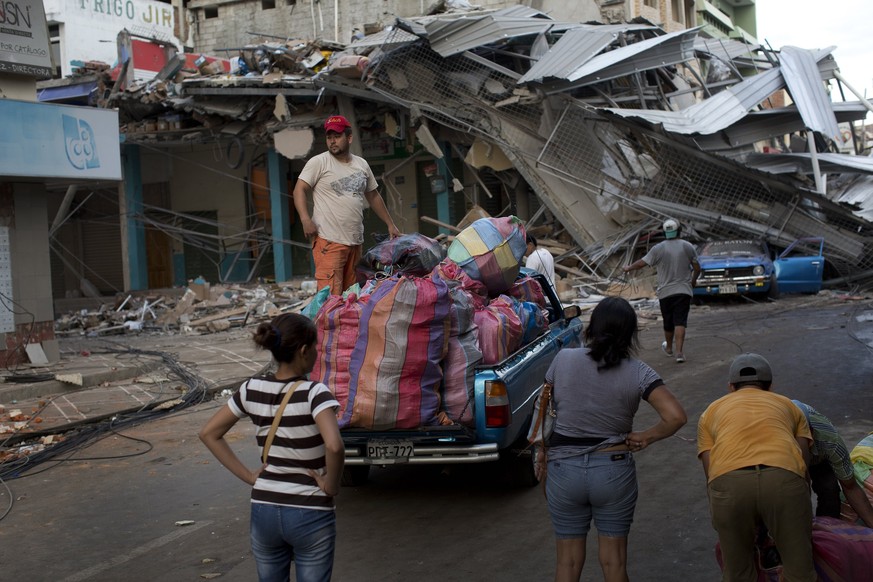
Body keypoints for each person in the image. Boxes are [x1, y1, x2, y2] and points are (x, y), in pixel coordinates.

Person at [537, 296, 686, 582]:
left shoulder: (563, 359)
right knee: (614, 563)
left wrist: (542, 457)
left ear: (592, 327)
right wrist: (646, 437)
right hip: (613, 471)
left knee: (566, 564)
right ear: (631, 333)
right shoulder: (639, 371)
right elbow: (676, 416)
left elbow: (545, 414)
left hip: (563, 470)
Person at [199, 313, 344, 582]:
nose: (316, 353)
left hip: (264, 508)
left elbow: (209, 433)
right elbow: (334, 446)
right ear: (303, 351)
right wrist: (331, 486)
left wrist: (249, 476)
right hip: (310, 510)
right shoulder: (315, 393)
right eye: (314, 347)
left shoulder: (251, 388)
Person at [697, 353, 816, 582]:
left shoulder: (710, 411)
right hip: (784, 478)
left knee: (738, 573)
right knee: (799, 572)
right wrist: (799, 507)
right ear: (770, 386)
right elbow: (803, 461)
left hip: (729, 483)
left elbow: (710, 472)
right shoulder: (789, 406)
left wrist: (722, 512)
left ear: (730, 387)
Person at [293, 114, 401, 296]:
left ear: (349, 138)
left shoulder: (361, 165)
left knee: (351, 297)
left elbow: (373, 195)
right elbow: (299, 190)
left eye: (337, 136)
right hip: (329, 241)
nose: (332, 141)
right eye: (329, 137)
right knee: (331, 299)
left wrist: (390, 224)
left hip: (355, 243)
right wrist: (304, 219)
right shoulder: (319, 162)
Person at [622, 218, 700, 363]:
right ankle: (679, 353)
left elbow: (641, 263)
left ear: (665, 232)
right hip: (683, 290)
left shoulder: (658, 248)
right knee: (680, 322)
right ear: (679, 231)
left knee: (668, 322)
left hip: (665, 292)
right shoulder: (687, 246)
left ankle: (669, 348)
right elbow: (697, 268)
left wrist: (628, 268)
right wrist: (693, 281)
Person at [792, 399, 873, 527]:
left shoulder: (830, 441)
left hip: (820, 458)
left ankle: (828, 531)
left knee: (830, 492)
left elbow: (850, 486)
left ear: (811, 434)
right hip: (783, 461)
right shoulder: (770, 441)